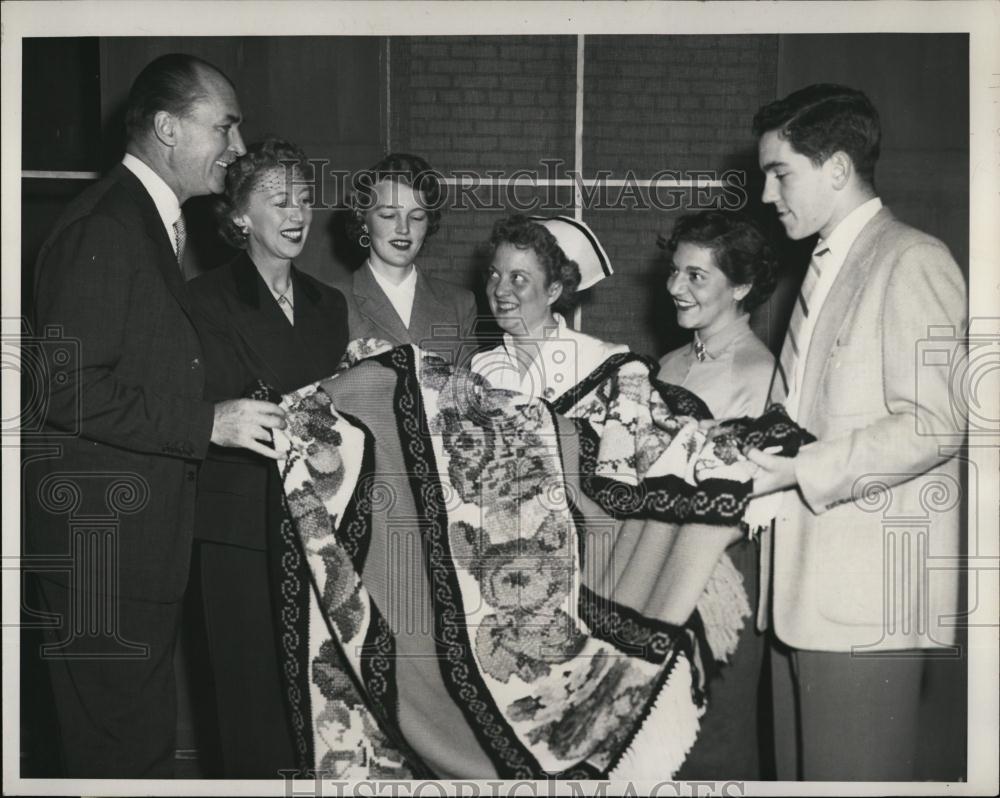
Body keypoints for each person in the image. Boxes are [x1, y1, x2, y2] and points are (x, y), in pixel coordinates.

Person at [25, 53, 287, 777]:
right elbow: (64, 386)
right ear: (169, 128)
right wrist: (206, 422)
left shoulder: (144, 223)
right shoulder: (106, 228)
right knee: (121, 756)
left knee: (132, 749)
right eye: (225, 127)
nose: (237, 148)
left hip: (129, 546)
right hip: (102, 554)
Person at [747, 83, 966, 780]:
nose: (766, 194)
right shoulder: (824, 263)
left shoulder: (912, 260)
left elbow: (940, 421)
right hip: (802, 600)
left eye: (780, 173)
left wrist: (801, 471)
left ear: (837, 169)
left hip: (865, 607)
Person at [187, 139, 349, 777]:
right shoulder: (203, 301)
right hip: (240, 532)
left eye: (305, 200)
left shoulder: (328, 305)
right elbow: (228, 406)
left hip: (320, 530)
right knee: (250, 701)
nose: (297, 213)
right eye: (278, 200)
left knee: (317, 696)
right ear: (238, 217)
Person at [657, 210, 779, 779]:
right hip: (661, 568)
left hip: (722, 577)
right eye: (676, 272)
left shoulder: (758, 374)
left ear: (743, 286)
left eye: (696, 276)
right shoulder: (669, 364)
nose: (676, 287)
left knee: (713, 738)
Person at [470, 214, 623, 398]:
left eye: (518, 278)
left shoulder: (601, 361)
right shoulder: (483, 367)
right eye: (494, 275)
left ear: (553, 290)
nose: (500, 291)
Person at [345, 153, 476, 357]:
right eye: (388, 216)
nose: (403, 229)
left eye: (416, 217)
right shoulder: (334, 300)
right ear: (363, 219)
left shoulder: (460, 303)